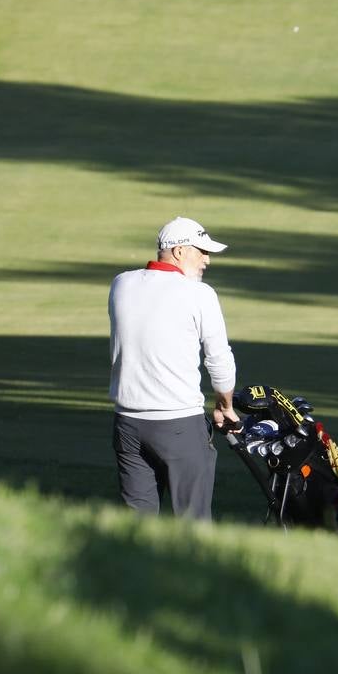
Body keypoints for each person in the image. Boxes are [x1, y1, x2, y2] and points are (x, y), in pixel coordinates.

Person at [108, 217, 240, 520]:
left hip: (127, 424)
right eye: (201, 251)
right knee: (192, 526)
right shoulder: (200, 294)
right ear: (179, 251)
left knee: (135, 526)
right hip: (179, 424)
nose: (207, 259)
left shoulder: (121, 284)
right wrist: (224, 405)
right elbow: (219, 359)